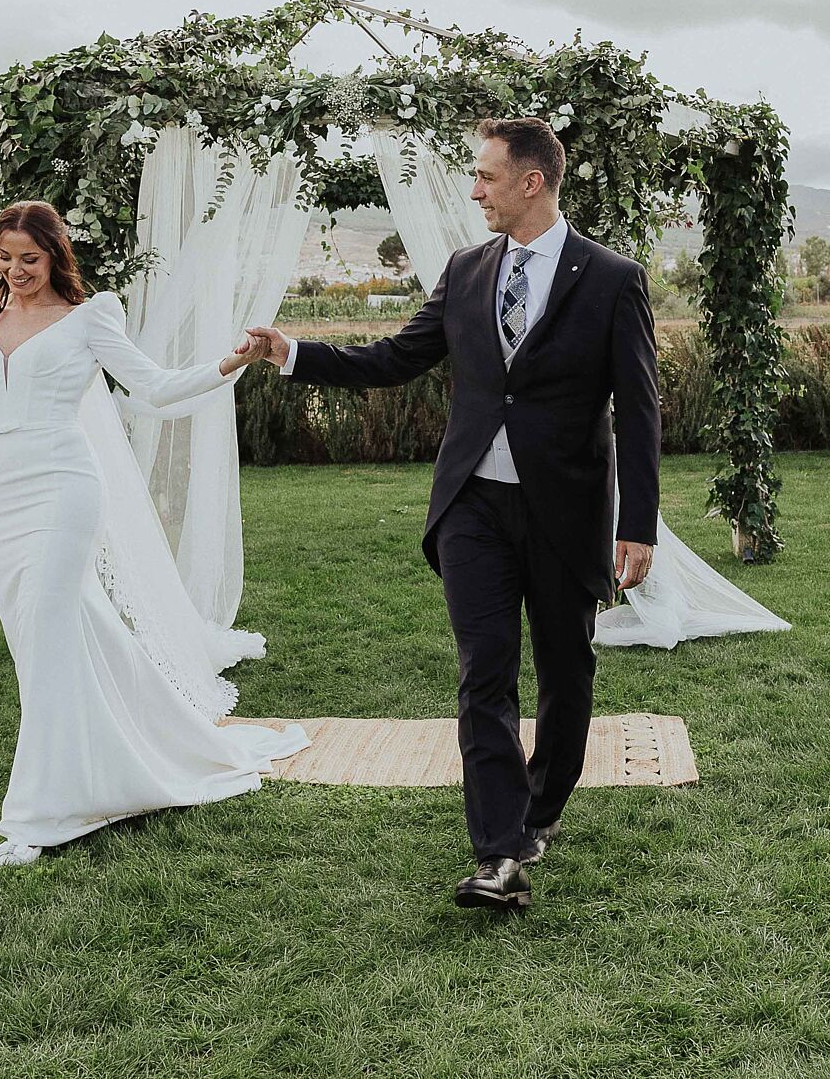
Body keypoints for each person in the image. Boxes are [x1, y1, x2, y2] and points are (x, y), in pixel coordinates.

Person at [244, 116, 660, 910]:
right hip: (472, 506)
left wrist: (635, 523)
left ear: (531, 181)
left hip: (566, 510)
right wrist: (291, 352)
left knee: (566, 674)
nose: (474, 191)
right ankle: (500, 852)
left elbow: (639, 410)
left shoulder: (612, 278)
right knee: (483, 674)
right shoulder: (467, 270)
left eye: (486, 176)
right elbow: (396, 357)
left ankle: (542, 807)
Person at [0, 200, 308, 866]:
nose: (15, 270)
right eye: (5, 257)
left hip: (64, 490)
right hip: (4, 502)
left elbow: (153, 388)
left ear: (55, 256)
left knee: (47, 633)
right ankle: (121, 757)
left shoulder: (88, 319)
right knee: (45, 643)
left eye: (29, 258)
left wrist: (229, 363)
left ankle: (41, 813)